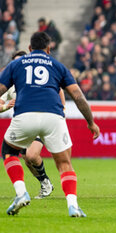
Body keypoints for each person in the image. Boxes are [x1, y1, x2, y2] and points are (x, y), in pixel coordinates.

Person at [0, 32, 100, 217]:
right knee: (64, 163)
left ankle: (21, 193)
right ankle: (73, 206)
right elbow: (78, 96)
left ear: (29, 49)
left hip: (25, 115)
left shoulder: (15, 64)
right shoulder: (58, 66)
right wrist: (91, 122)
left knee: (9, 151)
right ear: (48, 49)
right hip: (54, 117)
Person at [0, 50, 63, 199]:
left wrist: (63, 108)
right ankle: (45, 182)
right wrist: (6, 107)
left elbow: (58, 90)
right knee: (28, 160)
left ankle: (42, 184)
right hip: (22, 125)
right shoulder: (10, 85)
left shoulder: (37, 80)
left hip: (40, 119)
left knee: (31, 155)